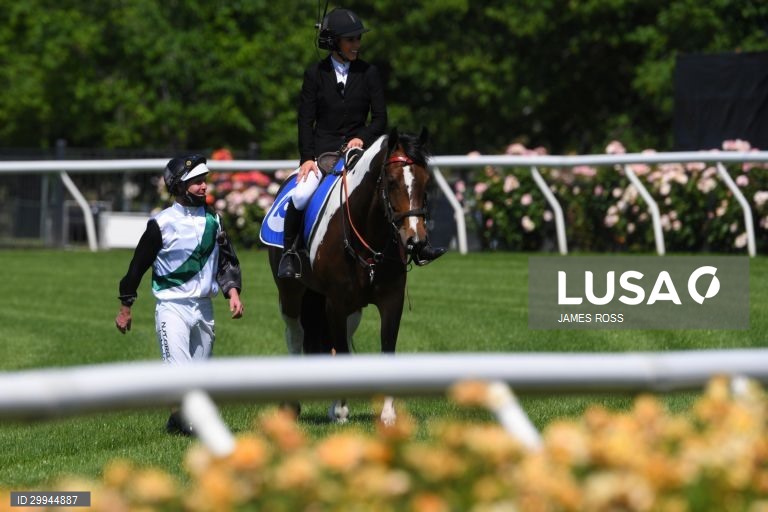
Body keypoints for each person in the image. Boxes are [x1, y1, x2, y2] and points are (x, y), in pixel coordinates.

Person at [115, 154, 244, 435]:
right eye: (196, 182)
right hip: (171, 307)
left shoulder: (215, 221)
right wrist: (126, 307)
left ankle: (177, 419)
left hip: (204, 308)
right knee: (180, 373)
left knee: (199, 377)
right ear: (178, 186)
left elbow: (226, 260)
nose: (203, 187)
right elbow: (136, 267)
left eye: (204, 181)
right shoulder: (160, 225)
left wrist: (232, 292)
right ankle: (189, 425)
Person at [277, 7, 388, 279]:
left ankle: (404, 247)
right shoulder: (315, 74)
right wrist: (306, 158)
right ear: (334, 41)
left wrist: (362, 136)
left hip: (360, 151)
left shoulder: (369, 72)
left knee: (392, 187)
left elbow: (381, 118)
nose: (356, 45)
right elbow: (305, 120)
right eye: (351, 40)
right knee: (301, 195)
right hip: (324, 152)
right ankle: (290, 253)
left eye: (358, 39)